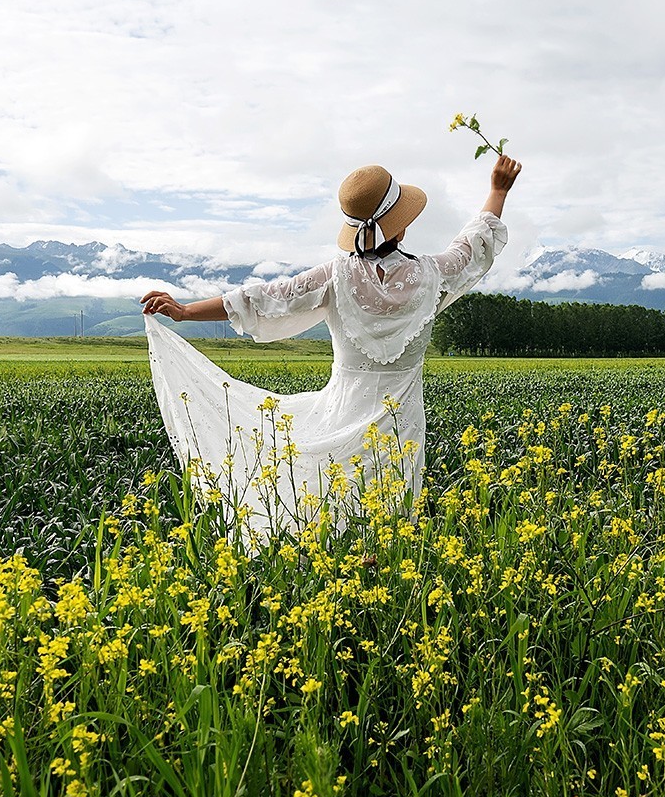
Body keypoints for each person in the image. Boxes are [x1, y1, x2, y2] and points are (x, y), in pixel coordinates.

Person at [141, 155, 521, 549]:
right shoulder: (433, 274)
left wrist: (185, 312)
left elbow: (261, 299)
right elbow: (473, 247)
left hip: (341, 411)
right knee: (391, 520)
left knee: (328, 504)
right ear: (400, 225)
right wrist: (497, 191)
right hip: (402, 420)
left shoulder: (334, 277)